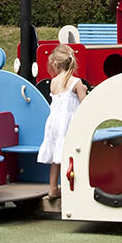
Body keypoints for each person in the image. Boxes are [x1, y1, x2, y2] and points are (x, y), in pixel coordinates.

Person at [37, 44, 86, 204]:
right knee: (71, 155)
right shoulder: (76, 82)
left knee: (56, 157)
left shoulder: (53, 82)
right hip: (68, 123)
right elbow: (84, 104)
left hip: (53, 122)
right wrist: (84, 90)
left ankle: (52, 189)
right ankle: (70, 187)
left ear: (56, 64)